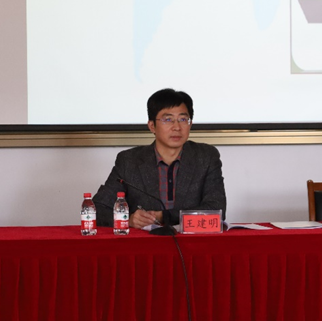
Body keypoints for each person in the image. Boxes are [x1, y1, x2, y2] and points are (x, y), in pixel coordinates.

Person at [94, 88, 227, 229]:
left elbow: (216, 209)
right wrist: (128, 220)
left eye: (183, 119)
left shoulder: (206, 157)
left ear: (190, 124)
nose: (177, 127)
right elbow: (97, 209)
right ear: (152, 126)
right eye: (168, 119)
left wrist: (164, 216)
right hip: (145, 241)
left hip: (192, 241)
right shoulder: (129, 161)